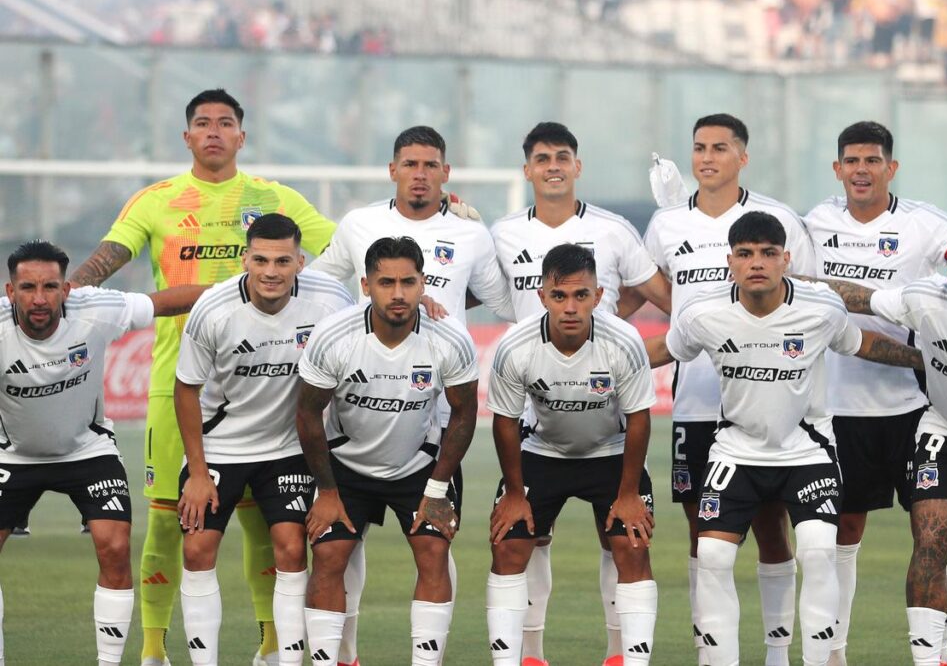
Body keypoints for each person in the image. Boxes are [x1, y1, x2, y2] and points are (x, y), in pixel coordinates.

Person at [69, 88, 338, 666]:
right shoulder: (157, 200)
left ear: (242, 136)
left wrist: (434, 221)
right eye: (201, 123)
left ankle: (271, 644)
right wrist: (74, 286)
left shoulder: (275, 199)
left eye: (225, 123)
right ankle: (152, 650)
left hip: (269, 383)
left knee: (270, 524)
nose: (213, 131)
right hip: (180, 382)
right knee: (173, 521)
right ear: (186, 136)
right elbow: (108, 255)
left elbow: (345, 249)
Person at [645, 212, 924, 666]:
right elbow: (662, 349)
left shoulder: (820, 308)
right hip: (736, 451)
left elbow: (863, 344)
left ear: (786, 260)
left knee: (817, 553)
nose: (758, 262)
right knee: (713, 555)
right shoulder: (703, 312)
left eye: (769, 253)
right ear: (730, 261)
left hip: (807, 452)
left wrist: (923, 361)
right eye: (747, 254)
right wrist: (600, 364)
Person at [309, 125, 513, 666]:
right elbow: (320, 284)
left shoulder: (471, 232)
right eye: (409, 164)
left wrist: (442, 305)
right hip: (360, 402)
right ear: (392, 169)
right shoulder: (359, 225)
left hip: (436, 412)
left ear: (445, 172)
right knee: (335, 550)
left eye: (430, 165)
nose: (419, 174)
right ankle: (342, 653)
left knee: (432, 546)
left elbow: (503, 299)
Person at [488, 121, 670, 666]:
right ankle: (527, 655)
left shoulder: (614, 231)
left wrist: (605, 325)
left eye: (562, 156)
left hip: (606, 422)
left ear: (577, 165)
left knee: (626, 539)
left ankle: (622, 655)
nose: (553, 165)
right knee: (519, 539)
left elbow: (663, 293)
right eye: (542, 158)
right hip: (535, 422)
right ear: (527, 170)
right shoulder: (500, 234)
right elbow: (467, 288)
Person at [640, 114, 815, 666]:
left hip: (769, 403)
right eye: (698, 148)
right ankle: (710, 651)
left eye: (720, 148)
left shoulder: (776, 220)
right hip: (695, 401)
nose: (706, 157)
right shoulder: (667, 224)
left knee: (771, 528)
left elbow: (806, 296)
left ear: (743, 156)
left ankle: (777, 654)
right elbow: (656, 295)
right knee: (704, 536)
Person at [807, 223, 947, 666]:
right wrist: (789, 284)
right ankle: (930, 661)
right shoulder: (923, 298)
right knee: (930, 542)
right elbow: (857, 297)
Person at [801, 121, 947, 666]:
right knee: (842, 531)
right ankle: (833, 653)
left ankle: (936, 652)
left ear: (891, 168)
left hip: (914, 405)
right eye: (852, 160)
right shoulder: (813, 224)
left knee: (933, 529)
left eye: (872, 160)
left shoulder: (925, 225)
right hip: (837, 406)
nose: (861, 170)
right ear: (837, 168)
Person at [0, 240, 203, 666]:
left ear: (67, 289)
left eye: (50, 287)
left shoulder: (96, 310)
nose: (40, 299)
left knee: (114, 545)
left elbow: (163, 302)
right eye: (28, 288)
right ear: (9, 291)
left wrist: (240, 290)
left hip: (87, 450)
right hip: (12, 455)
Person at [173, 215, 354, 665]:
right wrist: (197, 472)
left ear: (300, 262)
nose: (271, 271)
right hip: (220, 447)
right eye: (260, 260)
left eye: (282, 260)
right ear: (244, 260)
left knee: (293, 549)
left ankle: (287, 660)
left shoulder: (330, 301)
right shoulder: (213, 310)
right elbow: (186, 389)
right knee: (196, 548)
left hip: (288, 448)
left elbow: (372, 326)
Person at [297, 236, 478, 666]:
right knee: (327, 554)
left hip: (421, 467)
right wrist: (326, 491)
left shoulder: (448, 338)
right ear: (365, 285)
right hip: (346, 467)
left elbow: (464, 414)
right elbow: (307, 415)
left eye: (408, 282)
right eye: (385, 282)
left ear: (423, 284)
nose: (397, 294)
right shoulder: (334, 337)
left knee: (433, 550)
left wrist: (436, 491)